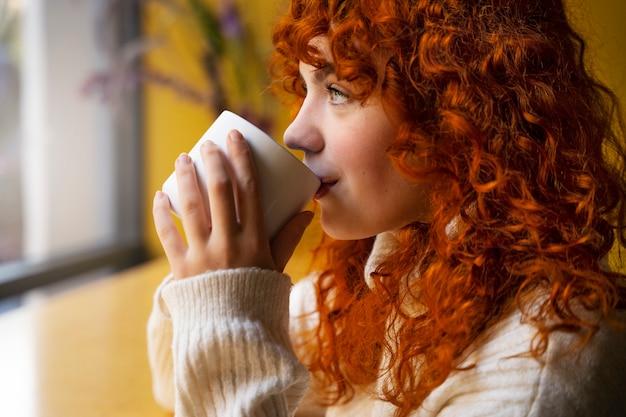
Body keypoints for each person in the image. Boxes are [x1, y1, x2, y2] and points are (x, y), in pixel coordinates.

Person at [147, 0, 626, 416]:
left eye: (339, 90)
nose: (294, 133)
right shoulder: (402, 263)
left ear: (456, 112)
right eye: (306, 86)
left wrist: (226, 304)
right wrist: (217, 281)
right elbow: (173, 380)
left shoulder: (537, 366)